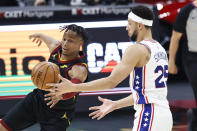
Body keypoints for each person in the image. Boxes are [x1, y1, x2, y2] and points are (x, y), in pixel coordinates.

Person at [46, 6, 173, 131]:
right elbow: (148, 94)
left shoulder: (137, 49)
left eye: (129, 23)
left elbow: (111, 82)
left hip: (149, 115)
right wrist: (116, 104)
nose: (126, 27)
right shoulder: (159, 49)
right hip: (163, 115)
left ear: (139, 25)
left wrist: (74, 87)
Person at [0, 24, 89, 131]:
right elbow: (46, 38)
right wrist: (39, 35)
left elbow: (75, 87)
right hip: (36, 101)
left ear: (80, 43)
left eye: (70, 41)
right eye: (64, 39)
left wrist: (61, 96)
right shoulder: (56, 48)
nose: (65, 44)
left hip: (58, 113)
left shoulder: (78, 69)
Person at [168, 0, 197, 131]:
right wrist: (171, 62)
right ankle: (194, 117)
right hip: (192, 58)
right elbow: (175, 38)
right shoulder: (186, 11)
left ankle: (195, 114)